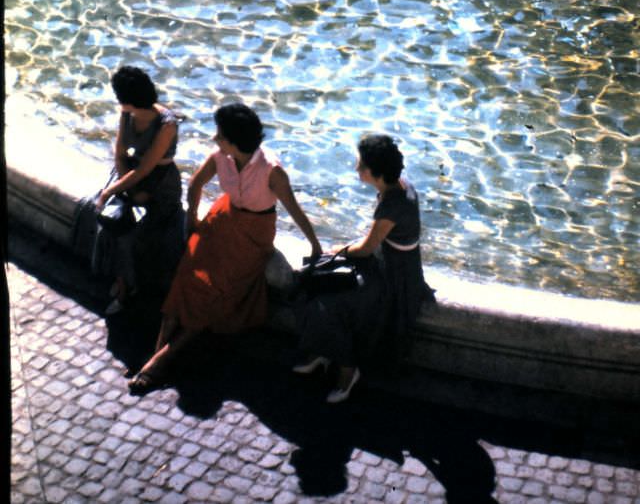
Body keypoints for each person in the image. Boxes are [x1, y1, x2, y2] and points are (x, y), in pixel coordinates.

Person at [127, 101, 322, 393]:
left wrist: (315, 244)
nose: (215, 139)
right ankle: (159, 352)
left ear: (234, 140)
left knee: (217, 289)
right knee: (188, 274)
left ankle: (164, 357)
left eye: (220, 134)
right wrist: (192, 219)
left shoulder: (272, 170)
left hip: (255, 234)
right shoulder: (221, 156)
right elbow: (195, 185)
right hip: (223, 218)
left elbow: (293, 209)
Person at [293, 133, 435, 403]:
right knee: (317, 287)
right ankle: (323, 350)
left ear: (375, 172)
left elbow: (367, 248)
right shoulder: (399, 187)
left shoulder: (392, 205)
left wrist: (339, 251)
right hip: (391, 264)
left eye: (361, 165)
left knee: (332, 302)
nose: (357, 168)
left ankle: (348, 369)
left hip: (392, 277)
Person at [95, 66, 184, 314]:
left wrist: (110, 192)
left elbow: (147, 169)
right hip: (130, 176)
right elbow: (120, 154)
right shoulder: (128, 114)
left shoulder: (166, 124)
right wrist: (125, 189)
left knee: (134, 236)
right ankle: (123, 281)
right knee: (112, 223)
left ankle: (127, 289)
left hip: (160, 182)